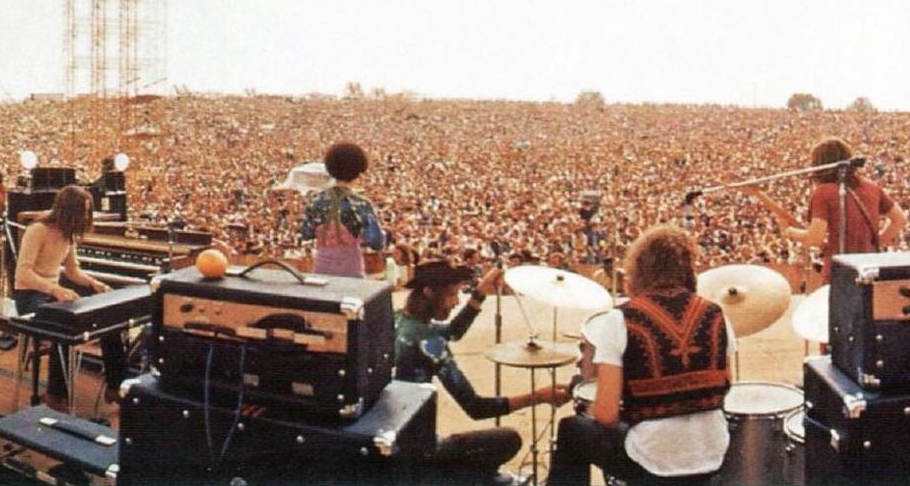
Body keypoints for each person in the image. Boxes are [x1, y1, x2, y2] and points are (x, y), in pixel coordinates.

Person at [549, 225, 736, 486]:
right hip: (712, 452)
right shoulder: (716, 314)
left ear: (639, 269)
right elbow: (725, 384)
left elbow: (606, 415)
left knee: (571, 429)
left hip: (655, 461)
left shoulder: (620, 319)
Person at [394, 260, 569, 483]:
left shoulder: (400, 319)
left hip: (394, 443)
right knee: (508, 440)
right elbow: (475, 407)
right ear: (429, 292)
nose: (457, 302)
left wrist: (480, 292)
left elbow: (452, 332)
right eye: (451, 295)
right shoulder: (427, 341)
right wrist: (539, 396)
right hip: (419, 453)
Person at [12, 186, 128, 411]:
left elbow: (73, 271)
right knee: (62, 321)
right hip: (28, 294)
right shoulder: (38, 229)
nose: (85, 217)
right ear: (67, 210)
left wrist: (93, 283)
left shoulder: (68, 233)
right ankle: (57, 395)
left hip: (50, 291)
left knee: (107, 313)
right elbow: (22, 273)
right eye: (82, 212)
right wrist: (55, 290)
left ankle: (116, 384)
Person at [742, 137, 906, 270]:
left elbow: (814, 238)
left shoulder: (823, 192)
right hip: (869, 265)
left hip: (840, 271)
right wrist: (878, 242)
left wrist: (790, 232)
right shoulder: (872, 187)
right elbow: (899, 219)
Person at [299, 141, 386, 277]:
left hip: (323, 267)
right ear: (358, 171)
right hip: (351, 269)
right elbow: (376, 242)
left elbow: (306, 233)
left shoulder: (316, 200)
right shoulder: (361, 203)